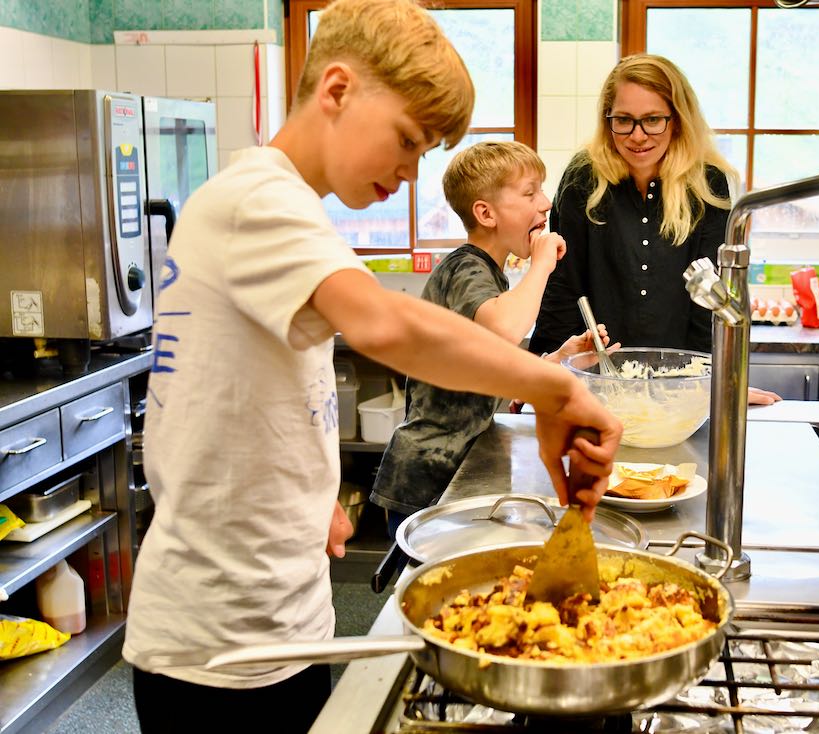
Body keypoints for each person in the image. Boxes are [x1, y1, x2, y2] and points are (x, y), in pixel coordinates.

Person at [120, 2, 621, 732]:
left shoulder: (278, 204)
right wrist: (555, 385)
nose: (411, 172)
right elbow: (385, 323)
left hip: (282, 619)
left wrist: (309, 492)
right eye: (408, 140)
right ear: (337, 89)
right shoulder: (257, 199)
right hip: (218, 652)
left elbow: (247, 391)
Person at [371, 141, 614, 526]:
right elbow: (503, 330)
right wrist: (542, 264)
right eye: (530, 192)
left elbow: (489, 370)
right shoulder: (464, 269)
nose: (546, 203)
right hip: (426, 479)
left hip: (453, 468)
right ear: (486, 213)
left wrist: (558, 358)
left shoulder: (489, 276)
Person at [528, 54, 780, 405]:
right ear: (607, 120)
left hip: (681, 388)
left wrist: (713, 384)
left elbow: (707, 303)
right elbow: (564, 286)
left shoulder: (707, 185)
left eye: (652, 120)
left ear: (677, 120)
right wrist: (545, 371)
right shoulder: (582, 180)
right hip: (596, 386)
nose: (637, 136)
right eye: (624, 121)